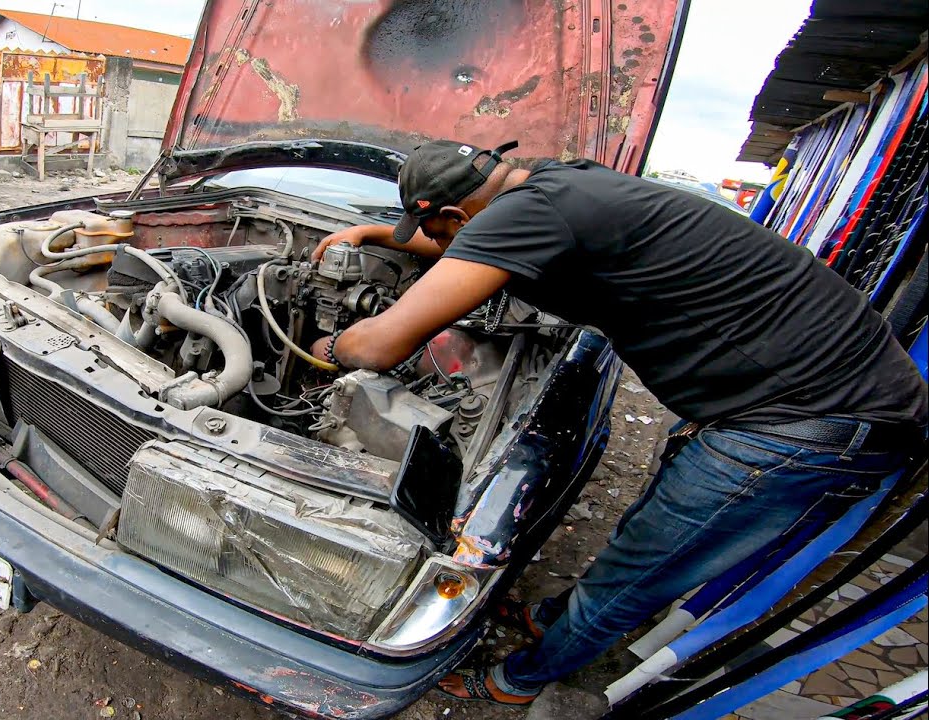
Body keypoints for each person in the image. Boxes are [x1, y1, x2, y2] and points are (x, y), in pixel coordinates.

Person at [308, 140, 928, 706]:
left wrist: (329, 347)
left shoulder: (526, 213)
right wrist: (376, 234)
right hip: (812, 392)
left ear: (459, 215)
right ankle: (554, 618)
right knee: (646, 532)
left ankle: (516, 681)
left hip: (810, 418)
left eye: (434, 226)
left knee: (642, 571)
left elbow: (382, 348)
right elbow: (471, 247)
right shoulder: (556, 183)